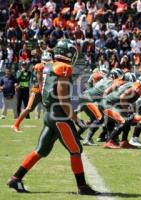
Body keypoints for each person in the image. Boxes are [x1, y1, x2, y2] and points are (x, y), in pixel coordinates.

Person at [7, 39, 100, 195]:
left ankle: (16, 179)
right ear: (68, 53)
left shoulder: (50, 66)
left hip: (50, 114)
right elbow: (63, 99)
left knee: (40, 150)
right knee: (76, 150)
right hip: (59, 117)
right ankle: (82, 187)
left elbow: (46, 93)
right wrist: (77, 120)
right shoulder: (63, 68)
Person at [100, 76, 141, 149]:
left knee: (127, 120)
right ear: (140, 84)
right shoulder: (135, 87)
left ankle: (124, 141)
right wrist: (128, 112)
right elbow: (122, 97)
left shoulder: (131, 84)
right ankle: (109, 142)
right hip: (109, 105)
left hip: (112, 105)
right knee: (125, 120)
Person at [11, 52, 52, 132]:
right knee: (28, 108)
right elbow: (40, 81)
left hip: (45, 91)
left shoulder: (51, 67)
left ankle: (49, 128)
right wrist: (43, 92)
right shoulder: (39, 66)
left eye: (48, 60)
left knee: (50, 109)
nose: (46, 62)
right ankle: (16, 125)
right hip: (37, 91)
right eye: (45, 60)